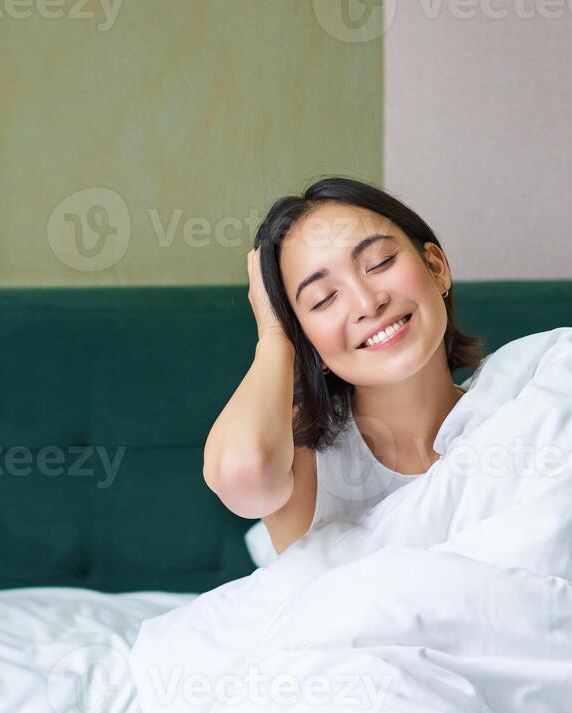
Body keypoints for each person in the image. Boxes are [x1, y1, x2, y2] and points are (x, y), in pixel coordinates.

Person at [204, 176, 486, 557]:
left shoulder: (514, 411)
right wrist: (274, 337)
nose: (368, 304)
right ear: (307, 342)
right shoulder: (301, 454)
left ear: (436, 267)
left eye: (380, 262)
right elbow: (245, 473)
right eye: (323, 299)